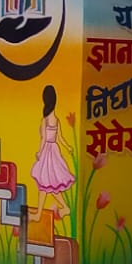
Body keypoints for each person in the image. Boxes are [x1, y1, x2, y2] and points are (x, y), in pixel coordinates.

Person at [30, 84, 76, 224]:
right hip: (54, 150)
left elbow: (44, 138)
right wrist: (68, 147)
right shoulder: (56, 120)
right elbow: (60, 138)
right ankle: (64, 208)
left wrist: (39, 152)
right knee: (49, 185)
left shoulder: (45, 120)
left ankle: (39, 214)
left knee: (45, 183)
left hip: (47, 152)